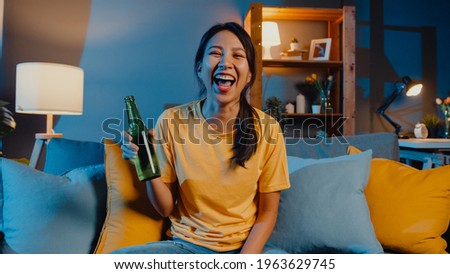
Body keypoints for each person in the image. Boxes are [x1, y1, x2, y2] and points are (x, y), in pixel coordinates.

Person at [114, 22, 290, 254]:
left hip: (246, 249)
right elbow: (165, 208)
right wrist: (147, 164)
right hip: (185, 247)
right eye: (215, 53)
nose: (225, 62)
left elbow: (268, 212)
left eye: (238, 55)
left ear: (249, 76)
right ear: (200, 68)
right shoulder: (171, 120)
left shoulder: (269, 129)